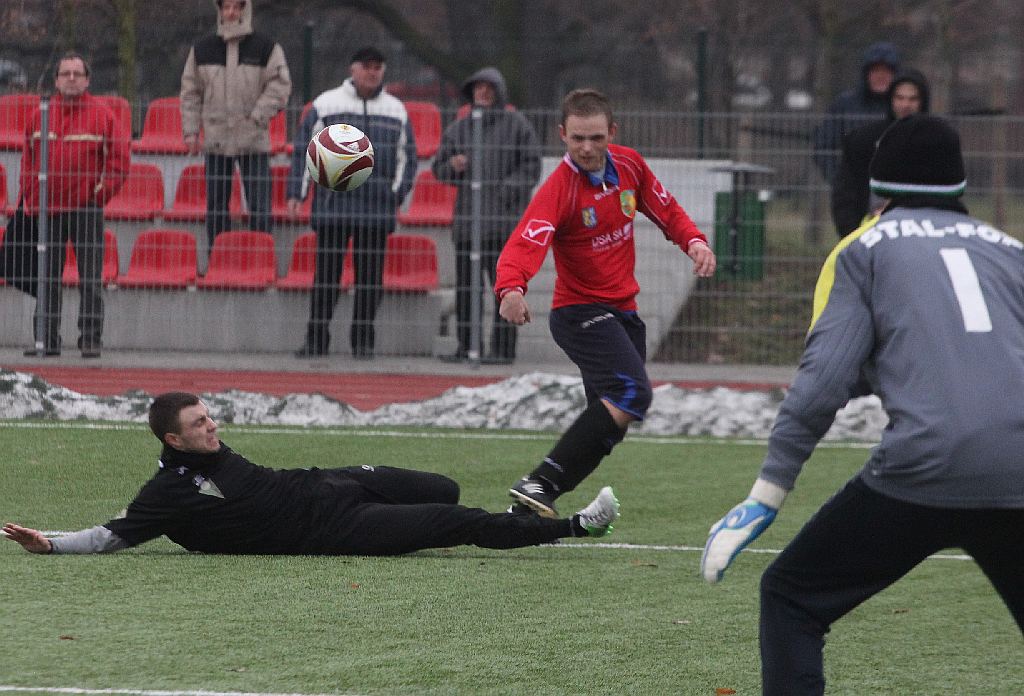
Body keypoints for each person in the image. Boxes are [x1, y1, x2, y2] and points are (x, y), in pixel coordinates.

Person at [700, 115, 1024, 695]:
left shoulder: (864, 249)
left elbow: (821, 384)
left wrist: (766, 494)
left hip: (924, 465)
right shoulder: (1012, 252)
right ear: (959, 183)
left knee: (791, 597)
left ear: (877, 185)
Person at [2, 391, 620, 556]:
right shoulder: (168, 493)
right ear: (172, 440)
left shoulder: (205, 449)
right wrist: (51, 543)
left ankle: (507, 525)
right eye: (199, 424)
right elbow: (112, 534)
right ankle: (575, 529)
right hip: (337, 526)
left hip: (332, 479)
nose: (212, 427)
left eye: (210, 416)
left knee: (443, 487)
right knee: (454, 520)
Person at [494, 88, 716, 517]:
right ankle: (539, 481)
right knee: (631, 392)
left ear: (611, 132)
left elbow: (666, 209)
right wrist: (510, 288)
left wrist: (694, 242)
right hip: (580, 314)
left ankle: (530, 508)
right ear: (562, 135)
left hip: (624, 314)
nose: (587, 148)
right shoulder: (558, 189)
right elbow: (526, 241)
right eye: (577, 138)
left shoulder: (629, 165)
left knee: (610, 425)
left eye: (595, 137)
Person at [288, 46, 417, 359]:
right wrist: (297, 192)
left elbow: (407, 158)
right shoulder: (326, 103)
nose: (373, 72)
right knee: (325, 281)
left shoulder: (396, 110)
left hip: (376, 211)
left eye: (378, 67)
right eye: (367, 67)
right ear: (353, 69)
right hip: (333, 209)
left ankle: (363, 344)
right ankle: (316, 341)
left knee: (370, 283)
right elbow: (304, 151)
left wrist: (395, 196)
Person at [16, 52, 129, 358]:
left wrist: (99, 195)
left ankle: (91, 339)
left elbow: (120, 161)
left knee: (90, 278)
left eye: (77, 74)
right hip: (47, 210)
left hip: (85, 208)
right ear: (56, 80)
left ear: (87, 79)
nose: (71, 78)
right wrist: (30, 193)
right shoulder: (39, 113)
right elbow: (27, 158)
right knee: (46, 278)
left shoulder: (103, 115)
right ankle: (46, 340)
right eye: (65, 73)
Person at [432, 67, 542, 365]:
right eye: (478, 88)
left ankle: (503, 350)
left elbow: (531, 166)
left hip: (503, 226)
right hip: (468, 224)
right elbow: (438, 167)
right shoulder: (459, 128)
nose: (483, 93)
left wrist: (504, 192)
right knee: (467, 292)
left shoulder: (517, 125)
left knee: (504, 291)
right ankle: (466, 347)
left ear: (498, 92)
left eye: (488, 88)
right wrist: (452, 166)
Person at [180, 0, 291, 251]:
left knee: (260, 207)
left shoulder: (266, 47)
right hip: (216, 141)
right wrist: (190, 131)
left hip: (253, 140)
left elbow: (280, 86)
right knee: (216, 208)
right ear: (219, 10)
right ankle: (217, 259)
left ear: (245, 9)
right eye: (226, 7)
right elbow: (190, 92)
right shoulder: (202, 48)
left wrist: (257, 117)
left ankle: (262, 258)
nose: (231, 12)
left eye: (236, 7)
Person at [831, 69, 929, 236]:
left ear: (922, 102)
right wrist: (850, 233)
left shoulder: (935, 141)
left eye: (913, 99)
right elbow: (846, 192)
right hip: (870, 231)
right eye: (900, 98)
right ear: (890, 100)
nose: (905, 105)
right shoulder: (863, 140)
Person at [812, 41, 900, 185]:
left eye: (886, 71)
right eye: (876, 71)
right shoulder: (845, 105)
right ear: (866, 74)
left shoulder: (904, 106)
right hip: (853, 185)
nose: (881, 76)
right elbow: (824, 146)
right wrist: (838, 181)